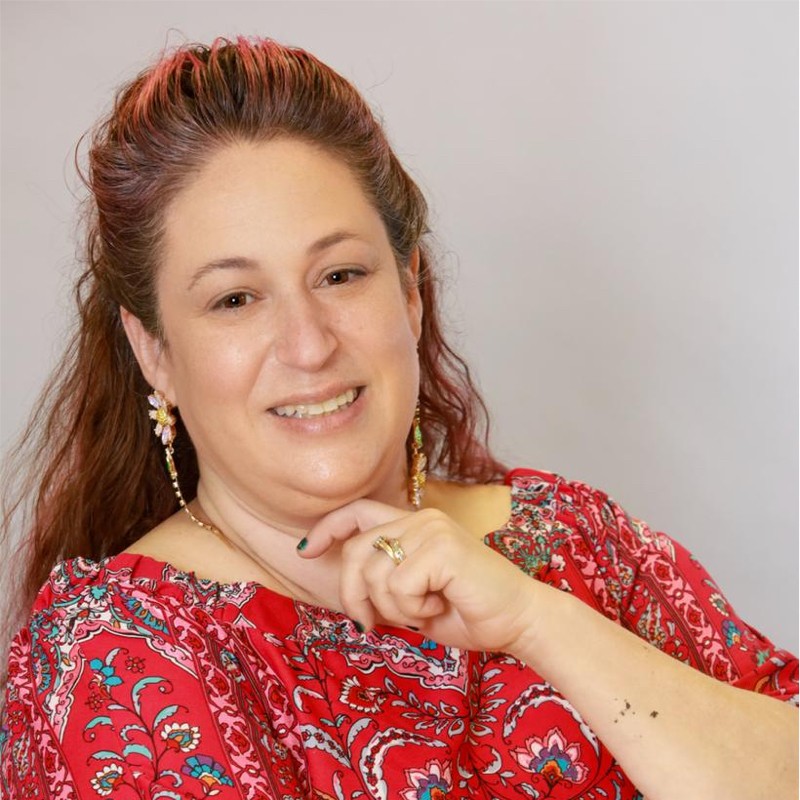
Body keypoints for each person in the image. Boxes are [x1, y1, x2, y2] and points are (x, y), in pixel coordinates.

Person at [0, 36, 796, 800]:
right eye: (235, 299)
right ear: (155, 352)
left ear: (410, 292)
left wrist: (536, 621)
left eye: (341, 274)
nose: (309, 345)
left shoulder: (575, 542)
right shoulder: (118, 654)